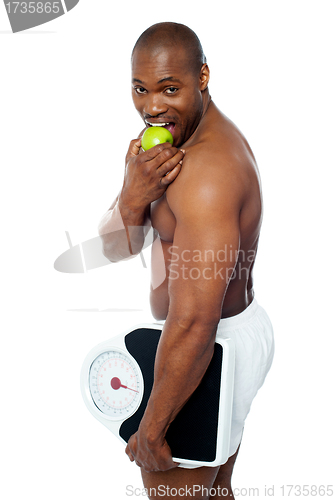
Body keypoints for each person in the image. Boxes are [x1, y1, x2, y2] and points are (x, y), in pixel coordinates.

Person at [98, 22, 274, 500]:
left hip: (208, 346)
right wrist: (134, 195)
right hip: (210, 339)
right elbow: (116, 247)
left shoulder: (206, 171)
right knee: (214, 493)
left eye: (169, 89)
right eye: (141, 89)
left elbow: (197, 317)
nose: (152, 106)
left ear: (203, 76)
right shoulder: (163, 149)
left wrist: (154, 429)